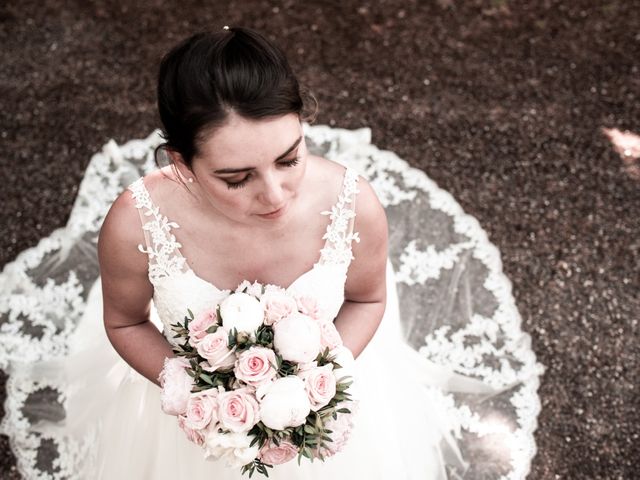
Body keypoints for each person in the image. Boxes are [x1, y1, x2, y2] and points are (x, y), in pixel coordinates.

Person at [0, 26, 543, 480]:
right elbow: (123, 323)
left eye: (289, 158)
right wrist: (195, 390)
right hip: (193, 431)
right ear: (182, 164)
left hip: (322, 407)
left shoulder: (352, 205)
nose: (275, 196)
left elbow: (368, 300)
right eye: (236, 177)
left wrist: (315, 382)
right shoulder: (134, 223)